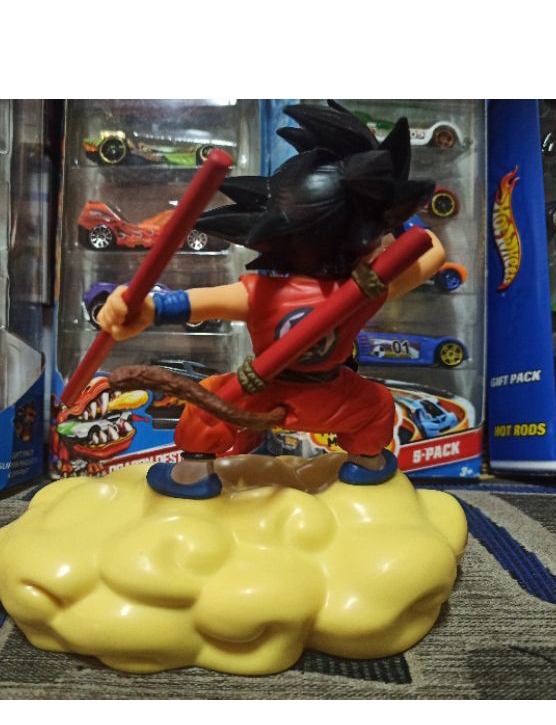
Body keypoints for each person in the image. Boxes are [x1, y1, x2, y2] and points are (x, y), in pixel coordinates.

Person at [98, 101, 446, 499]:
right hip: (333, 399)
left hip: (256, 395)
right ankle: (368, 464)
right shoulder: (367, 290)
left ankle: (192, 476)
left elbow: (189, 302)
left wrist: (142, 308)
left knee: (206, 403)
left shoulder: (261, 292)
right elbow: (432, 250)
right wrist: (394, 209)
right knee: (377, 405)